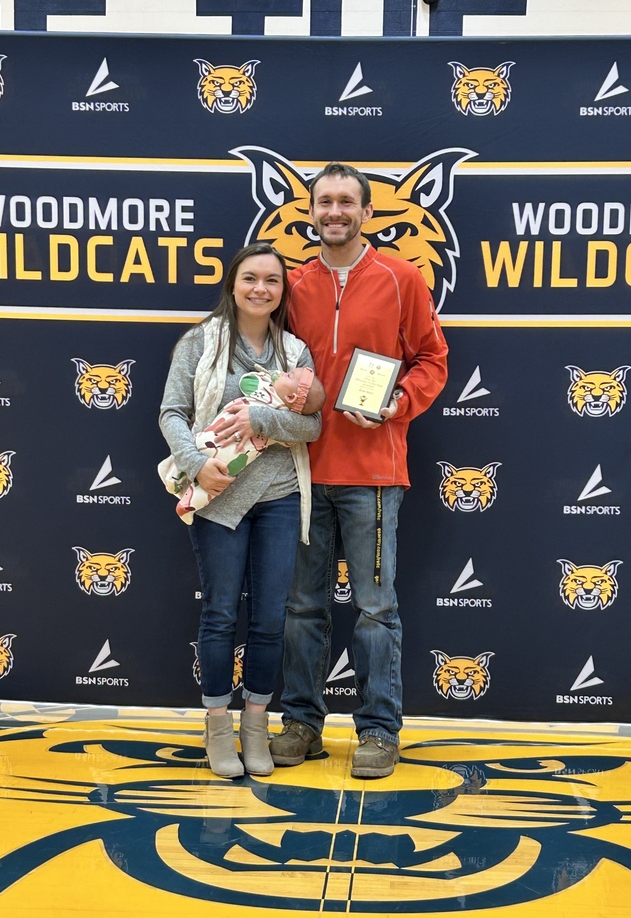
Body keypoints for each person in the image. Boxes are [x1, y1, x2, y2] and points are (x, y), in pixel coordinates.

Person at [270, 162, 449, 779]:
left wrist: (399, 404)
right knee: (301, 606)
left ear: (367, 213)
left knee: (375, 608)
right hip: (300, 471)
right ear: (311, 212)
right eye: (325, 202)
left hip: (374, 473)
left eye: (348, 202)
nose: (336, 212)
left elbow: (431, 359)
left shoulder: (403, 279)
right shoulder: (292, 286)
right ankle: (300, 723)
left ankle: (378, 731)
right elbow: (269, 366)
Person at [159, 243, 321, 779]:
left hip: (278, 497)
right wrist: (195, 464)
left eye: (272, 281)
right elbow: (172, 412)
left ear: (282, 291)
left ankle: (256, 723)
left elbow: (310, 427)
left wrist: (258, 417)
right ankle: (217, 727)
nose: (260, 289)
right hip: (218, 496)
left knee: (271, 619)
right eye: (250, 278)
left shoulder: (295, 353)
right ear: (233, 284)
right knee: (221, 613)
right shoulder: (200, 342)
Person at [160, 365, 325, 523]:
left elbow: (309, 429)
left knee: (215, 477)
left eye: (288, 375)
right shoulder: (278, 403)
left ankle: (183, 495)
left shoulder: (270, 392)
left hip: (258, 478)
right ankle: (182, 490)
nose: (282, 373)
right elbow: (289, 440)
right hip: (223, 447)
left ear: (291, 397)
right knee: (204, 464)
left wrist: (258, 418)